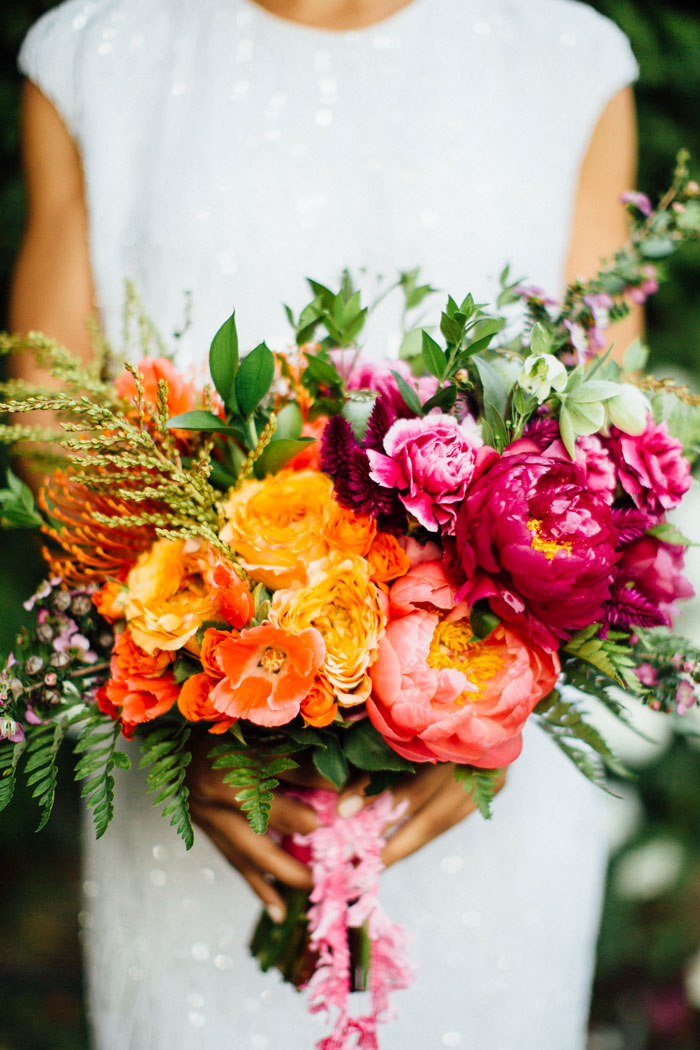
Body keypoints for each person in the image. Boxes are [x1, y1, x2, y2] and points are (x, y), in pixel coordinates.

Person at [12, 1, 643, 1047]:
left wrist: (480, 710)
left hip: (485, 795)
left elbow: (602, 456)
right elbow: (54, 420)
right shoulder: (98, 50)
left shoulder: (564, 57)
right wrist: (186, 698)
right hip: (197, 777)